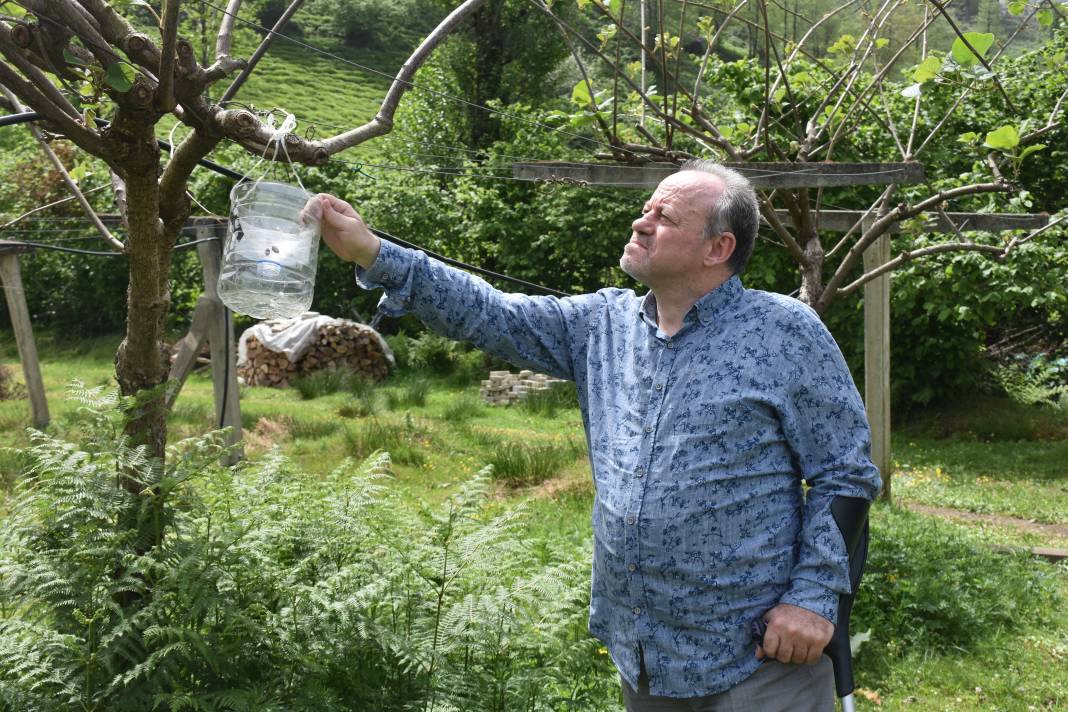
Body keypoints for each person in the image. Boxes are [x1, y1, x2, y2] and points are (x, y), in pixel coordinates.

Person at [315, 159, 882, 711]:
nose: (641, 222)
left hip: (756, 659)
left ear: (718, 248)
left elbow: (845, 472)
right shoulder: (600, 326)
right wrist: (373, 252)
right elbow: (489, 313)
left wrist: (812, 600)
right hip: (646, 656)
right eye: (646, 209)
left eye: (664, 216)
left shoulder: (784, 332)